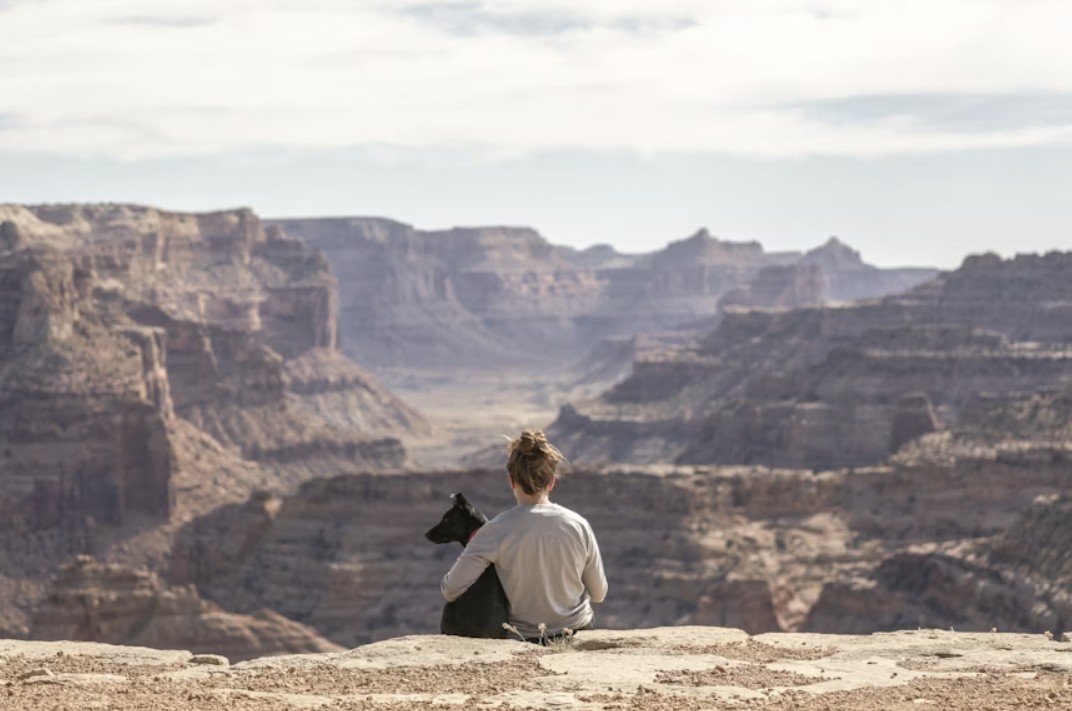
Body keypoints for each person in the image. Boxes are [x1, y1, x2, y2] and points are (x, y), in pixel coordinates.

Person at [440, 430, 608, 641]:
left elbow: (450, 589)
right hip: (577, 631)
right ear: (551, 482)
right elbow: (599, 594)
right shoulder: (578, 525)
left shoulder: (495, 530)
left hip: (525, 639)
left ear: (511, 480)